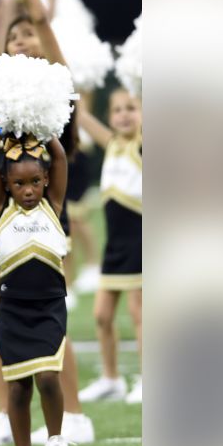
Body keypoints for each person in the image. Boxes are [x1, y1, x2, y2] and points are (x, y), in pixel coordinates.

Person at [0, 0, 95, 446]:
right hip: (3, 208)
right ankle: (8, 410)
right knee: (4, 308)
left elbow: (41, 15)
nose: (20, 40)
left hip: (46, 204)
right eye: (14, 35)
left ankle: (74, 412)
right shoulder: (0, 82)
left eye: (28, 34)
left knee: (50, 307)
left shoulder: (56, 78)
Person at [0, 130, 75, 446]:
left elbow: (62, 158)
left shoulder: (55, 205)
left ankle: (55, 440)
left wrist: (46, 126)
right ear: (6, 184)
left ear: (46, 179)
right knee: (17, 388)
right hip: (13, 309)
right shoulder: (0, 209)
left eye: (36, 181)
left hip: (49, 305)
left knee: (49, 377)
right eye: (20, 184)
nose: (29, 190)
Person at [76, 89, 143, 404]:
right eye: (117, 110)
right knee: (102, 315)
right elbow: (81, 115)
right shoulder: (113, 144)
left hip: (142, 240)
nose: (123, 115)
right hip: (115, 246)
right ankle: (111, 379)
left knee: (140, 314)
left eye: (131, 108)